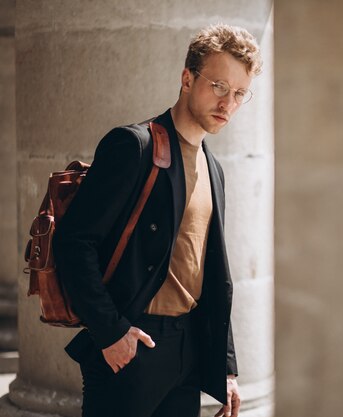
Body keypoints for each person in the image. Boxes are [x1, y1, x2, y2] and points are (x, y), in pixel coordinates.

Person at [52, 23, 262, 417]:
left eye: (238, 94)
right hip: (133, 344)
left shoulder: (213, 168)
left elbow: (214, 273)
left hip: (188, 349)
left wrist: (226, 368)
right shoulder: (134, 146)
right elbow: (74, 242)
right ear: (187, 78)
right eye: (218, 86)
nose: (228, 103)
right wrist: (111, 332)